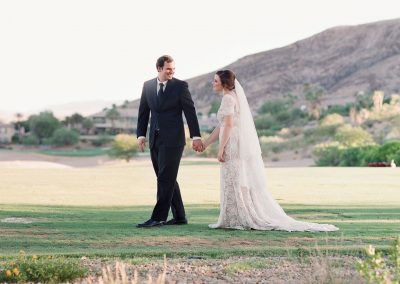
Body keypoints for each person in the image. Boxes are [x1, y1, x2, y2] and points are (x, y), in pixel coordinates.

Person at [203, 70, 339, 232]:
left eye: (216, 81)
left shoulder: (227, 98)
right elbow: (222, 125)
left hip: (232, 144)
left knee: (233, 178)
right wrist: (206, 143)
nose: (213, 83)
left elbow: (228, 125)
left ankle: (237, 217)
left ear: (224, 84)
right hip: (236, 142)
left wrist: (220, 148)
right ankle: (235, 216)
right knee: (236, 179)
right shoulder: (235, 97)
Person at [136, 55, 203, 228]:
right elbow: (143, 112)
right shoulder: (148, 86)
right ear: (158, 68)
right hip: (154, 140)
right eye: (168, 69)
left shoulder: (180, 86)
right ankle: (180, 217)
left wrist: (196, 136)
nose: (171, 72)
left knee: (165, 178)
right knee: (165, 177)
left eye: (173, 69)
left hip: (174, 141)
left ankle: (158, 217)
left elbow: (190, 111)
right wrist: (141, 135)